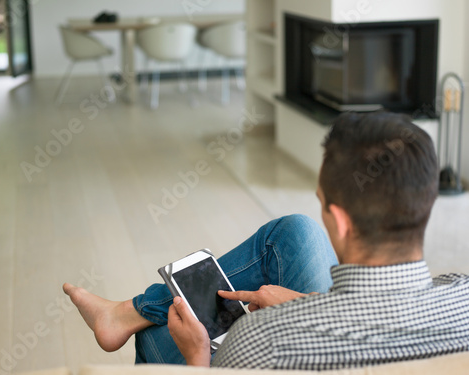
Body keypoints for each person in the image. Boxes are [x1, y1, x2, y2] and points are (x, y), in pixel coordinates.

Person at [63, 112, 469, 370]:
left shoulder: (262, 344)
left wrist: (197, 359)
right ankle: (127, 313)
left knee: (162, 334)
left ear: (341, 222)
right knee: (295, 233)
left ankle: (132, 319)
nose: (322, 214)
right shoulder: (463, 298)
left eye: (323, 205)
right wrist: (302, 302)